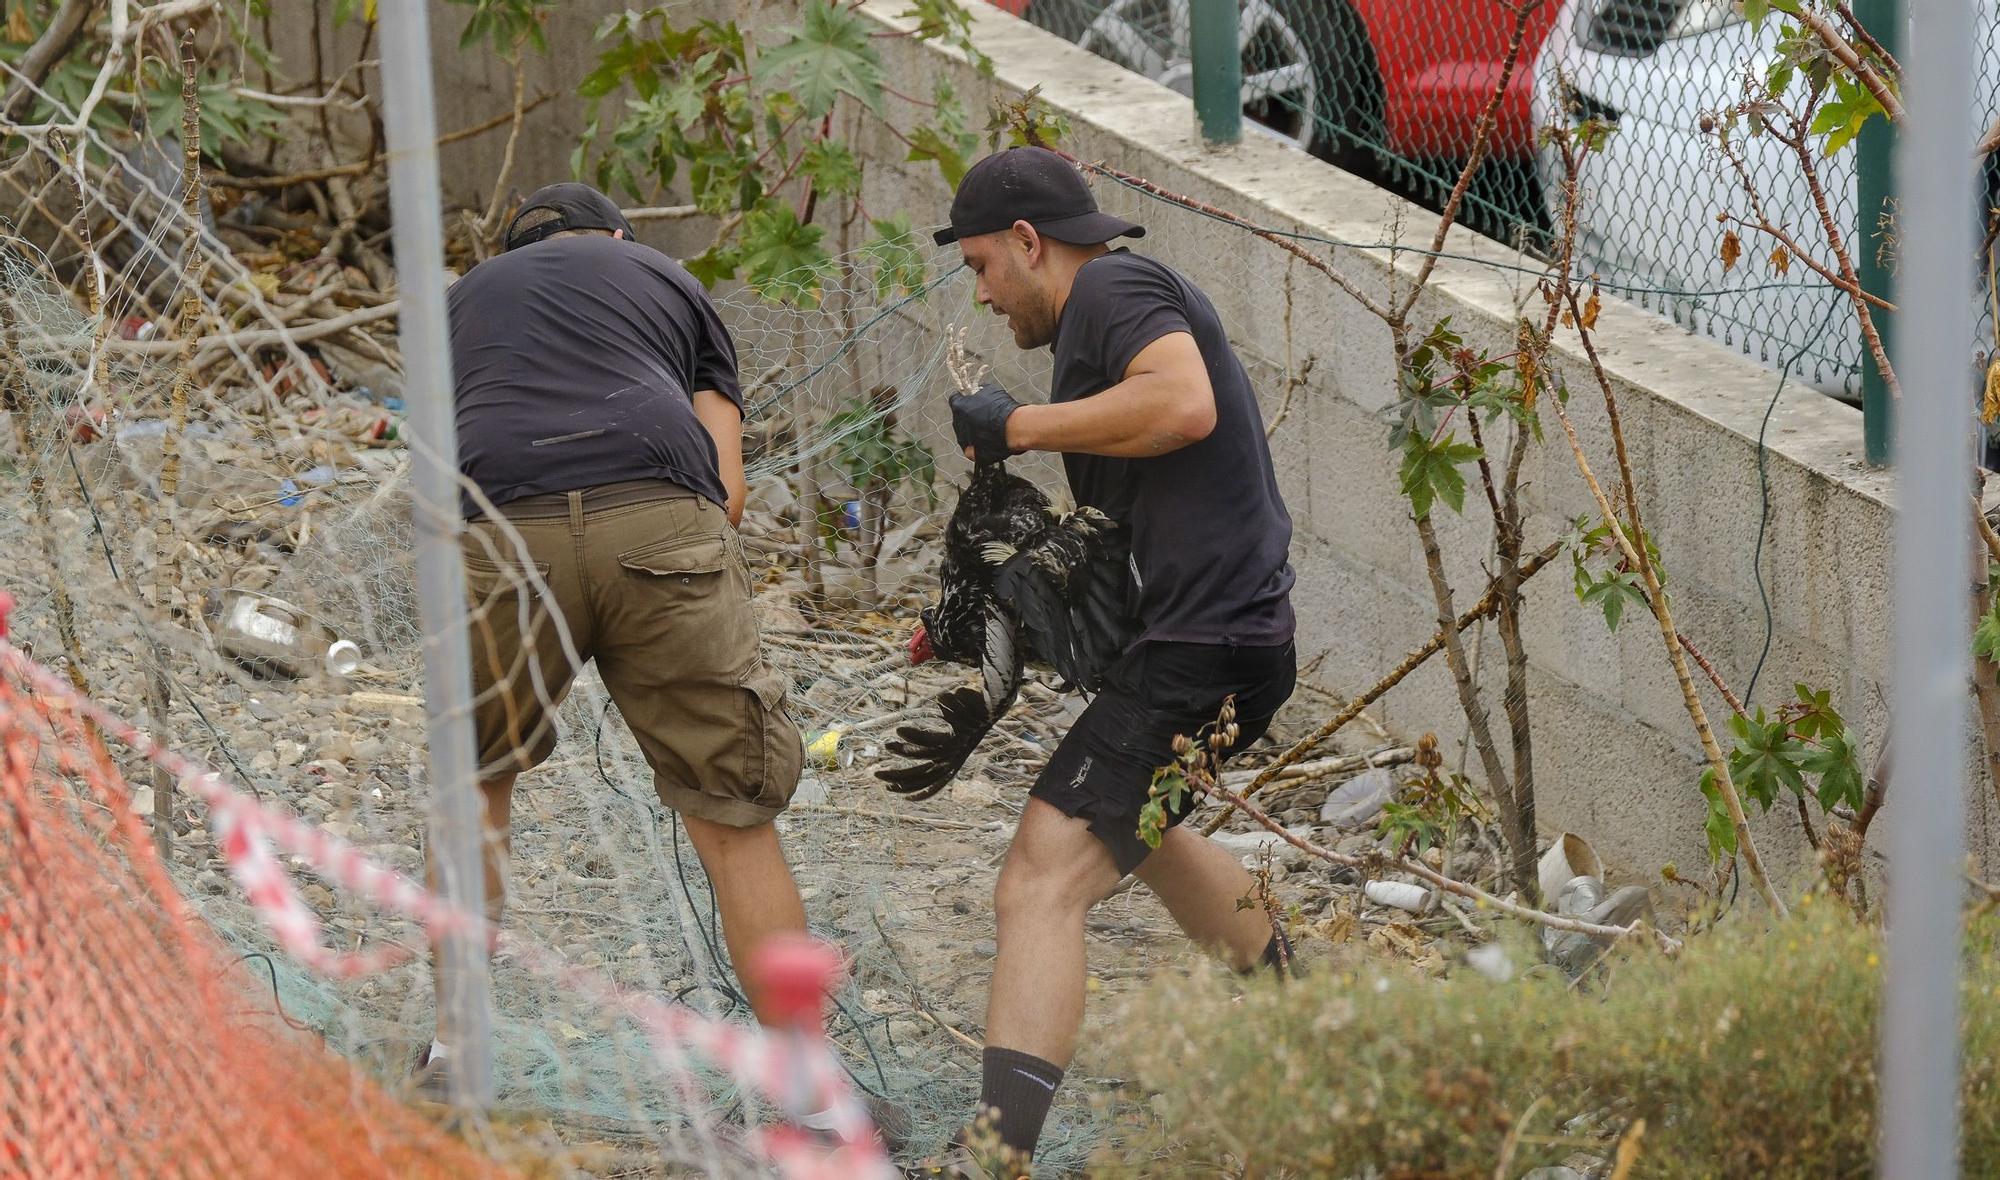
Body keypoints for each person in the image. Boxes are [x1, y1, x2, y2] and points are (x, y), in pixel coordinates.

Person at [919, 147, 1301, 1175]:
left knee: (1037, 882)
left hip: (1204, 643)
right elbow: (1128, 505)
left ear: (1029, 243)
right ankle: (1311, 1028)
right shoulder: (1097, 317)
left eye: (982, 269)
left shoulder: (1115, 289)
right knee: (1141, 831)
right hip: (1220, 638)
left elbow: (1182, 405)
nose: (986, 296)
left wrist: (1017, 426)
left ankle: (993, 1157)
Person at [418, 182, 826, 1120]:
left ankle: (454, 1058)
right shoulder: (660, 275)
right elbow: (725, 488)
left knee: (475, 786)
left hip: (501, 532)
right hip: (658, 516)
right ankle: (806, 1095)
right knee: (732, 816)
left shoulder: (466, 298)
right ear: (613, 236)